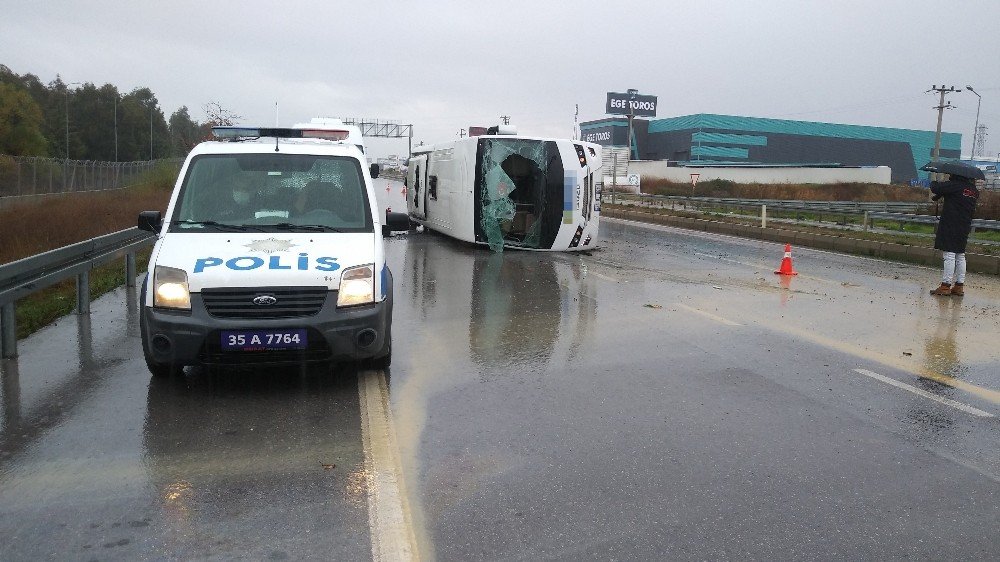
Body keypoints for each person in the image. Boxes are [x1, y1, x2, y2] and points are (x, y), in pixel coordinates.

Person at [929, 173, 979, 296]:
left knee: (949, 255)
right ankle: (959, 286)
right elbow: (955, 196)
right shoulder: (973, 190)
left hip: (951, 224)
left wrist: (934, 181)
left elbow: (936, 188)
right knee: (960, 255)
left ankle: (945, 286)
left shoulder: (955, 185)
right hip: (964, 225)